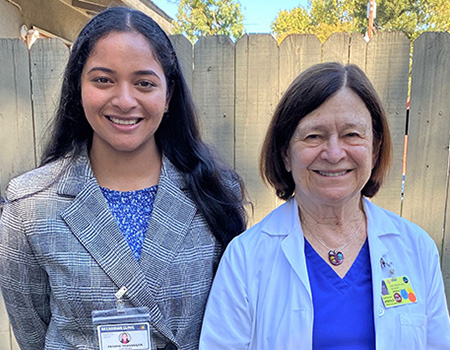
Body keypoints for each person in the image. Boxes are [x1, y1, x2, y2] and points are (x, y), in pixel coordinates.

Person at [0, 6, 246, 350]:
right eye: (103, 80)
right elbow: (33, 335)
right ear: (79, 87)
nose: (124, 100)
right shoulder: (29, 206)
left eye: (144, 83)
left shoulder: (215, 193)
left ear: (168, 95)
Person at [200, 62, 450, 349]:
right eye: (314, 136)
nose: (333, 153)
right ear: (285, 154)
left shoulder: (417, 248)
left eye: (352, 135)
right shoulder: (245, 259)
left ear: (375, 147)